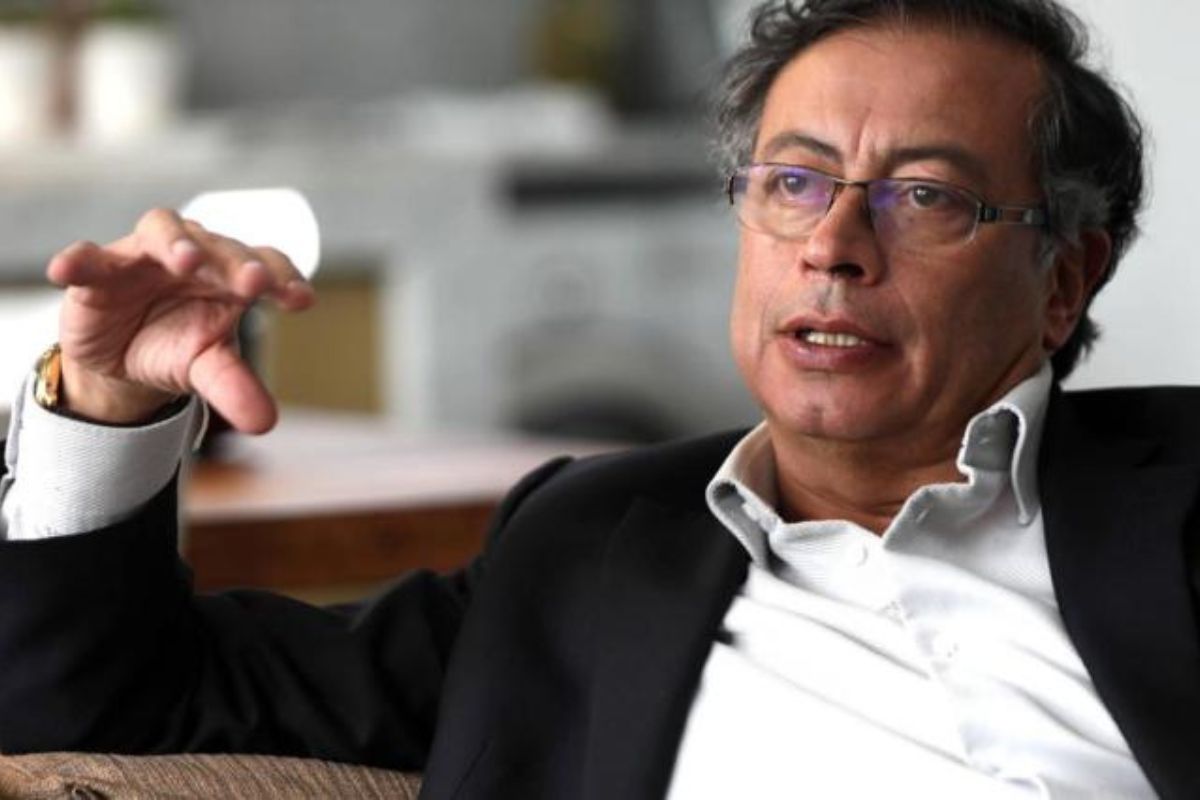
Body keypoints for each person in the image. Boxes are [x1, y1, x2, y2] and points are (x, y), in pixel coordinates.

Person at [0, 0, 1194, 797]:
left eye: (925, 195)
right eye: (792, 181)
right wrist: (106, 403)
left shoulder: (1175, 497)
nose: (833, 244)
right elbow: (102, 708)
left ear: (1063, 279)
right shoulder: (584, 546)